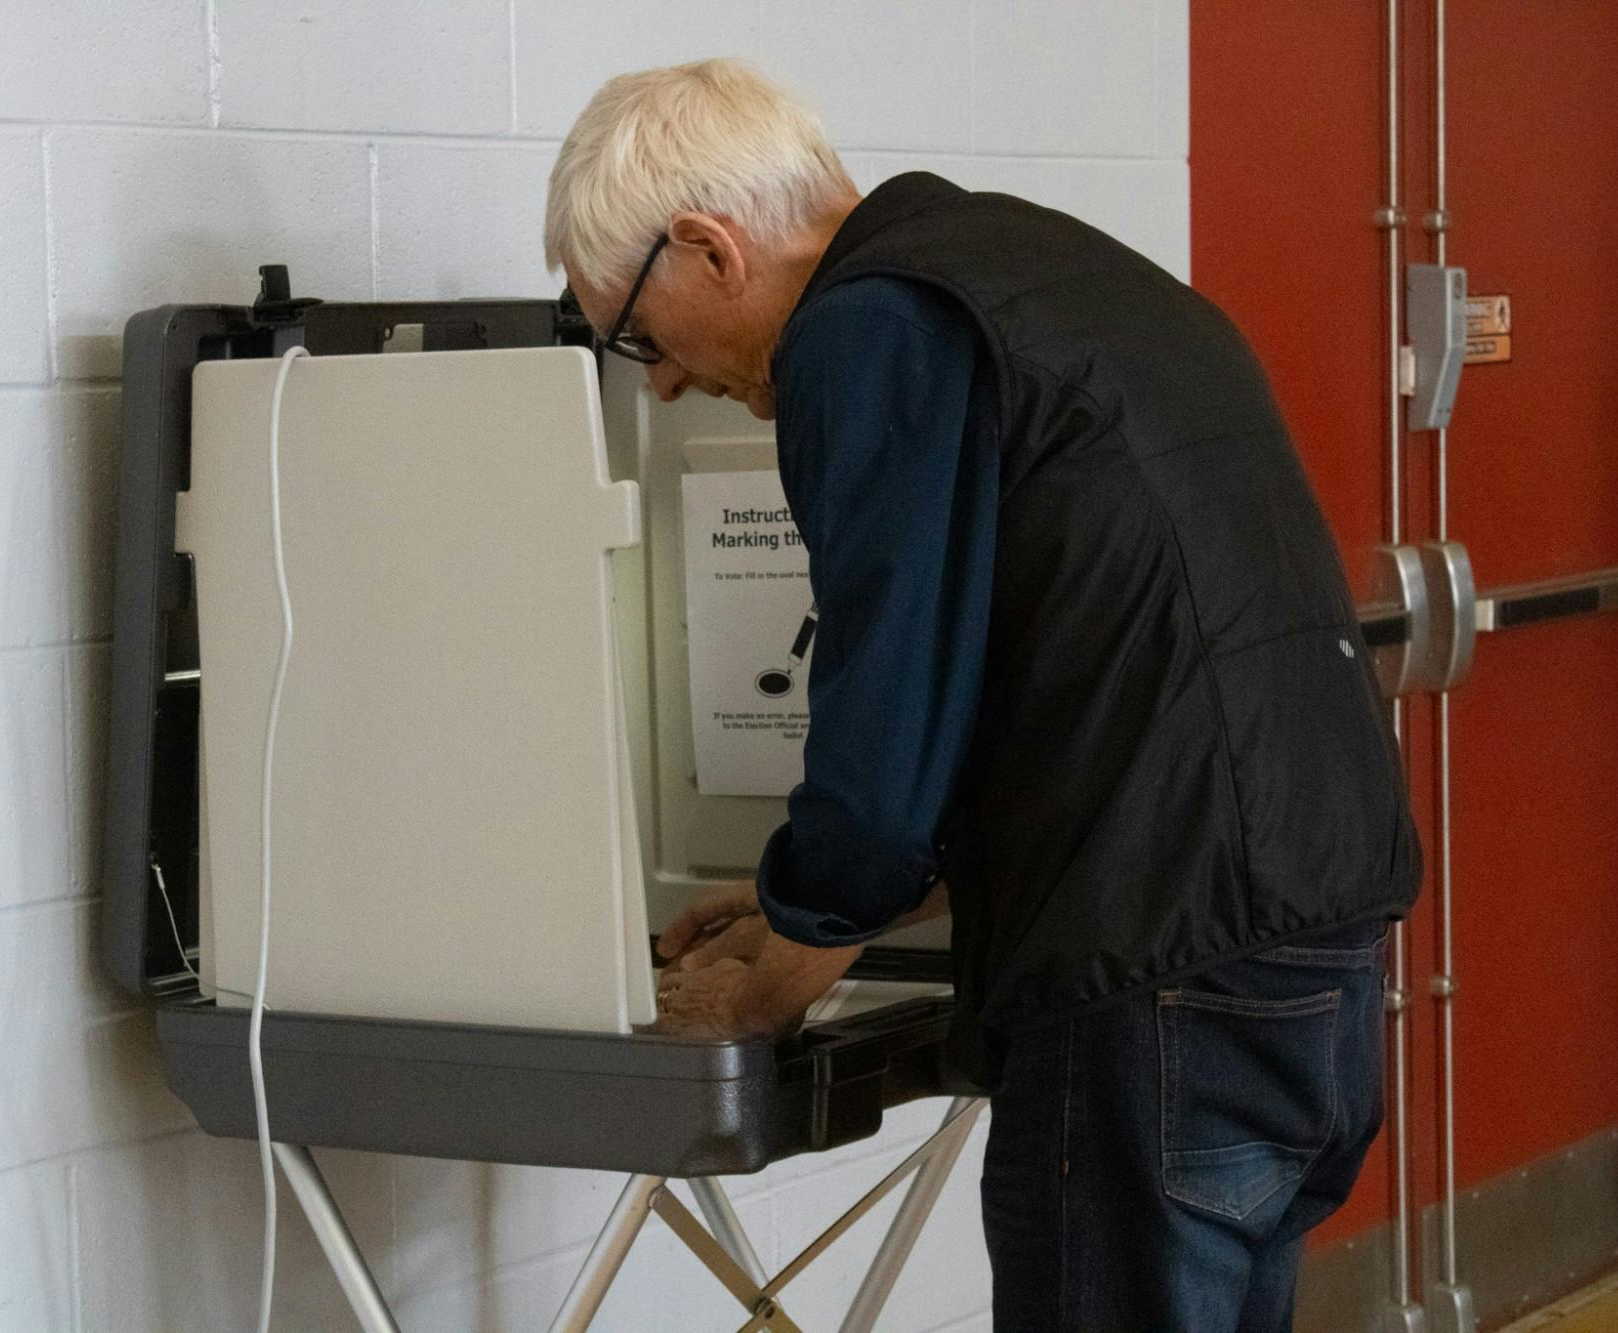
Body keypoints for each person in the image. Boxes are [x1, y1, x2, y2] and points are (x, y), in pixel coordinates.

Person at [545, 59, 1420, 1332]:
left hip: (1153, 978)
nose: (661, 380)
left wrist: (773, 975)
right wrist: (826, 895)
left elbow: (886, 705)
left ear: (706, 246)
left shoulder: (865, 326)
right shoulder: (1038, 269)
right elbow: (1088, 670)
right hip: (1308, 947)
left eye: (633, 332)